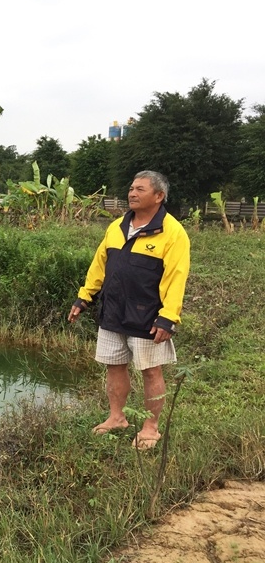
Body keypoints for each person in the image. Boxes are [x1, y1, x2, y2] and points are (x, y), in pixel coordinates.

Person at [68, 170, 190, 450]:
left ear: (159, 196)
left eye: (141, 189)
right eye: (131, 188)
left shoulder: (172, 232)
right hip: (112, 312)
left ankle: (150, 428)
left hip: (149, 316)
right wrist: (83, 298)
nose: (132, 193)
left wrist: (168, 317)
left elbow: (177, 276)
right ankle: (116, 417)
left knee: (150, 371)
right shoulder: (117, 227)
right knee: (114, 366)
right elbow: (99, 265)